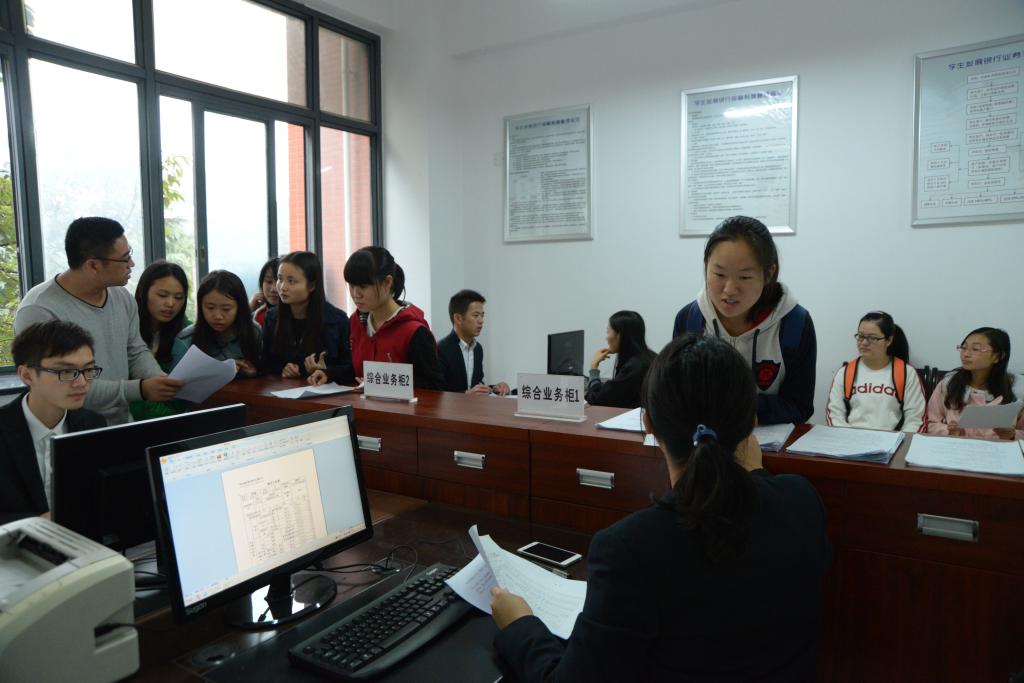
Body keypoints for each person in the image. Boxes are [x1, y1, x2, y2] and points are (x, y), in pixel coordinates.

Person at [490, 334, 831, 681]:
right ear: (752, 424)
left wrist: (519, 624)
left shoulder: (630, 548)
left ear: (649, 424)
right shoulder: (802, 501)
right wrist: (755, 473)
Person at [14, 217, 183, 424]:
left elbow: (135, 350)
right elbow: (62, 382)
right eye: (124, 259)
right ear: (93, 265)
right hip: (67, 428)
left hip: (120, 423)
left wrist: (159, 380)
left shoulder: (122, 297)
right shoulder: (39, 310)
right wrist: (140, 389)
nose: (131, 264)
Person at [672, 215, 816, 425]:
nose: (730, 290)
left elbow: (800, 405)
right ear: (706, 266)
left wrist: (740, 410)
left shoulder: (794, 324)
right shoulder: (689, 319)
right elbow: (676, 392)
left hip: (768, 440)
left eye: (745, 277)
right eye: (719, 274)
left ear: (769, 273)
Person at [1, 321, 107, 524]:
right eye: (65, 372)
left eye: (88, 370)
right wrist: (36, 522)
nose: (81, 383)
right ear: (27, 375)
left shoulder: (93, 424)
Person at [308, 246, 443, 389]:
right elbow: (358, 371)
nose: (356, 294)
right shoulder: (356, 322)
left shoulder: (414, 331)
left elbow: (434, 385)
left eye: (363, 286)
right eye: (351, 286)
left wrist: (379, 384)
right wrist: (329, 374)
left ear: (387, 282)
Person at [826, 311, 926, 432]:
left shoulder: (906, 373)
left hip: (892, 440)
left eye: (872, 338)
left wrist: (900, 440)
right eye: (860, 336)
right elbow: (834, 415)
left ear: (888, 340)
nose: (864, 342)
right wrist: (849, 438)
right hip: (850, 439)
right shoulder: (845, 373)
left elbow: (915, 419)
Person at [262, 251, 352, 381]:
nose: (282, 287)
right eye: (280, 279)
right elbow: (265, 360)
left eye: (291, 281)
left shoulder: (337, 320)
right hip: (283, 389)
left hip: (323, 391)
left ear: (312, 285)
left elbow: (350, 368)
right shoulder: (272, 317)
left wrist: (327, 372)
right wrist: (282, 368)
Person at [926, 327, 1024, 440]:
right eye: (964, 347)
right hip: (955, 447)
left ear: (998, 356)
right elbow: (931, 423)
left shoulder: (1017, 390)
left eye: (976, 349)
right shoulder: (948, 384)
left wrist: (1012, 435)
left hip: (998, 449)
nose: (965, 354)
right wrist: (948, 431)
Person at [172, 270, 261, 377]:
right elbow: (175, 381)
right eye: (210, 308)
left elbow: (263, 371)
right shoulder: (185, 340)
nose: (218, 316)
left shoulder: (254, 332)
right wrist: (220, 370)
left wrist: (254, 371)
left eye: (226, 309)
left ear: (240, 307)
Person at [131, 260, 190, 420]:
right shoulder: (127, 327)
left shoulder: (187, 333)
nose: (170, 304)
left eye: (179, 297)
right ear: (143, 291)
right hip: (132, 417)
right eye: (162, 295)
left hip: (174, 415)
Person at [437, 289, 510, 395]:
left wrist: (494, 388)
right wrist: (466, 395)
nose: (481, 320)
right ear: (458, 318)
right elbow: (437, 393)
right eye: (476, 315)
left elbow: (476, 386)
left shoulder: (478, 349)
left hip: (474, 405)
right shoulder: (441, 349)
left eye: (482, 315)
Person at [586, 310, 656, 408]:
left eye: (608, 332)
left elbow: (597, 399)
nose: (606, 338)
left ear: (620, 335)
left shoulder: (635, 366)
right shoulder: (649, 356)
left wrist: (594, 367)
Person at [250, 257, 280, 328]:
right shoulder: (258, 314)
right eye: (269, 282)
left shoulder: (296, 313)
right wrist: (249, 309)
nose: (273, 289)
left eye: (279, 282)